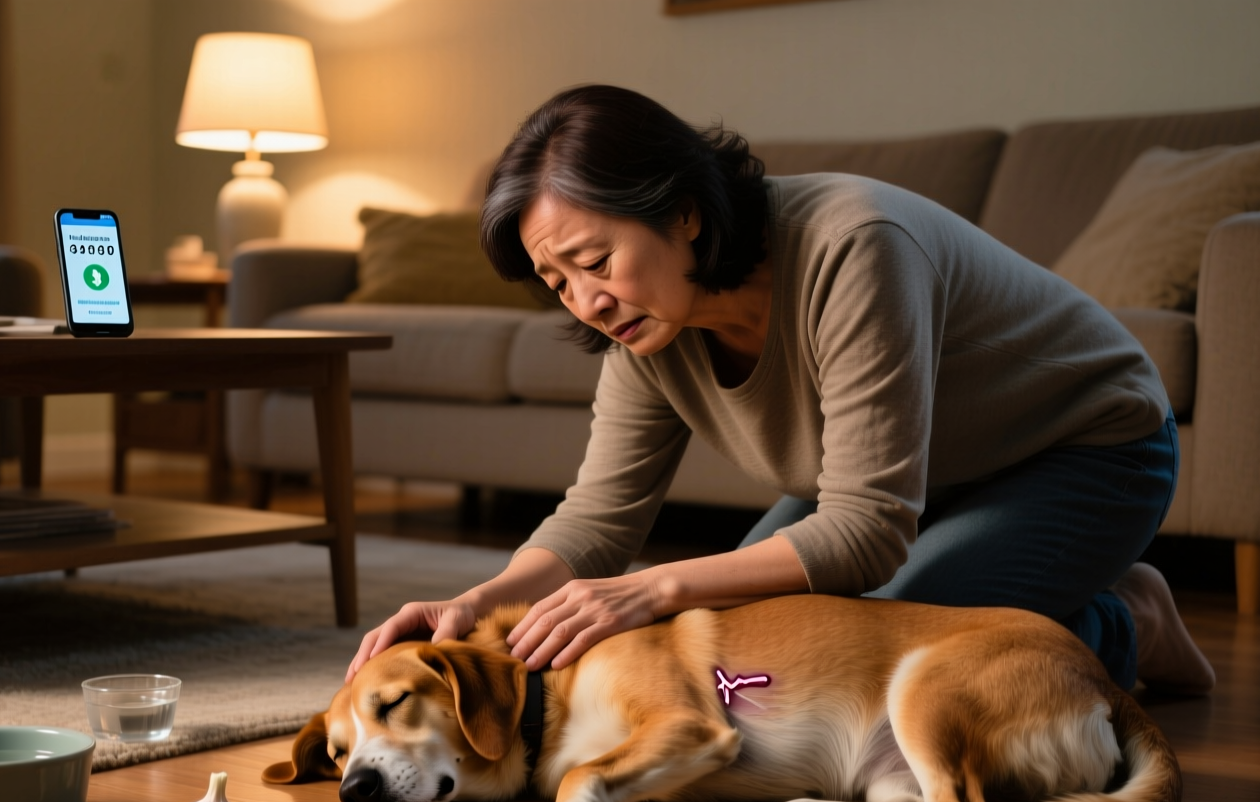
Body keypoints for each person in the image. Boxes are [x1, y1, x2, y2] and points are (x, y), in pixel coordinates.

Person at [346, 84, 1215, 696]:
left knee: (870, 641)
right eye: (557, 282)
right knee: (755, 647)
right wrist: (478, 602)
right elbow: (600, 518)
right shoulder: (649, 326)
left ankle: (1128, 620)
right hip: (912, 483)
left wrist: (659, 586)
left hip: (1085, 452)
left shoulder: (855, 245)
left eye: (594, 262)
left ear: (683, 211)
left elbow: (869, 530)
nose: (587, 302)